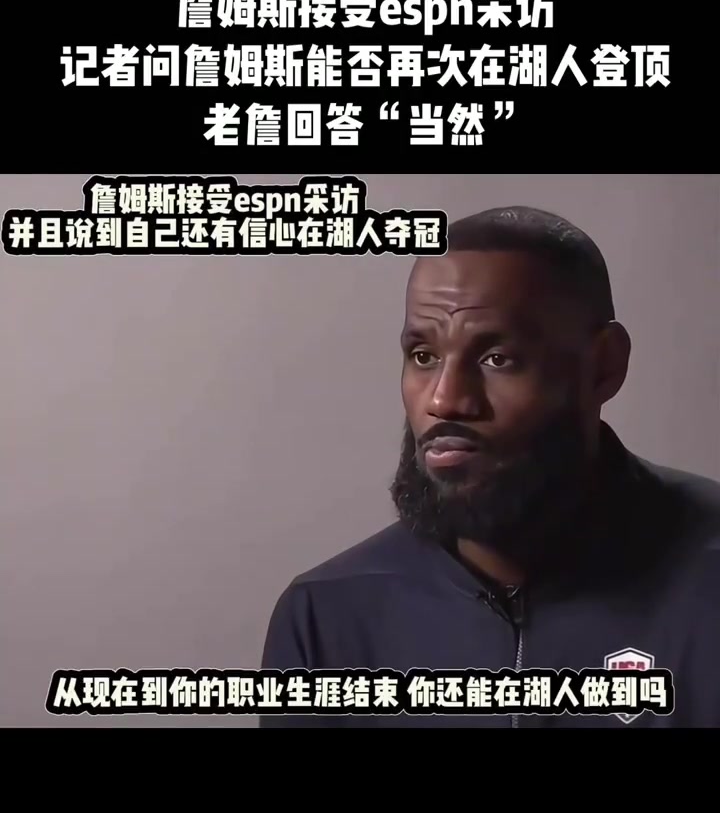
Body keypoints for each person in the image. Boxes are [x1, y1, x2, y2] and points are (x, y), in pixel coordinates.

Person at [259, 206, 720, 728]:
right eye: (424, 356)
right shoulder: (327, 616)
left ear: (603, 367)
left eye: (497, 358)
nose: (444, 400)